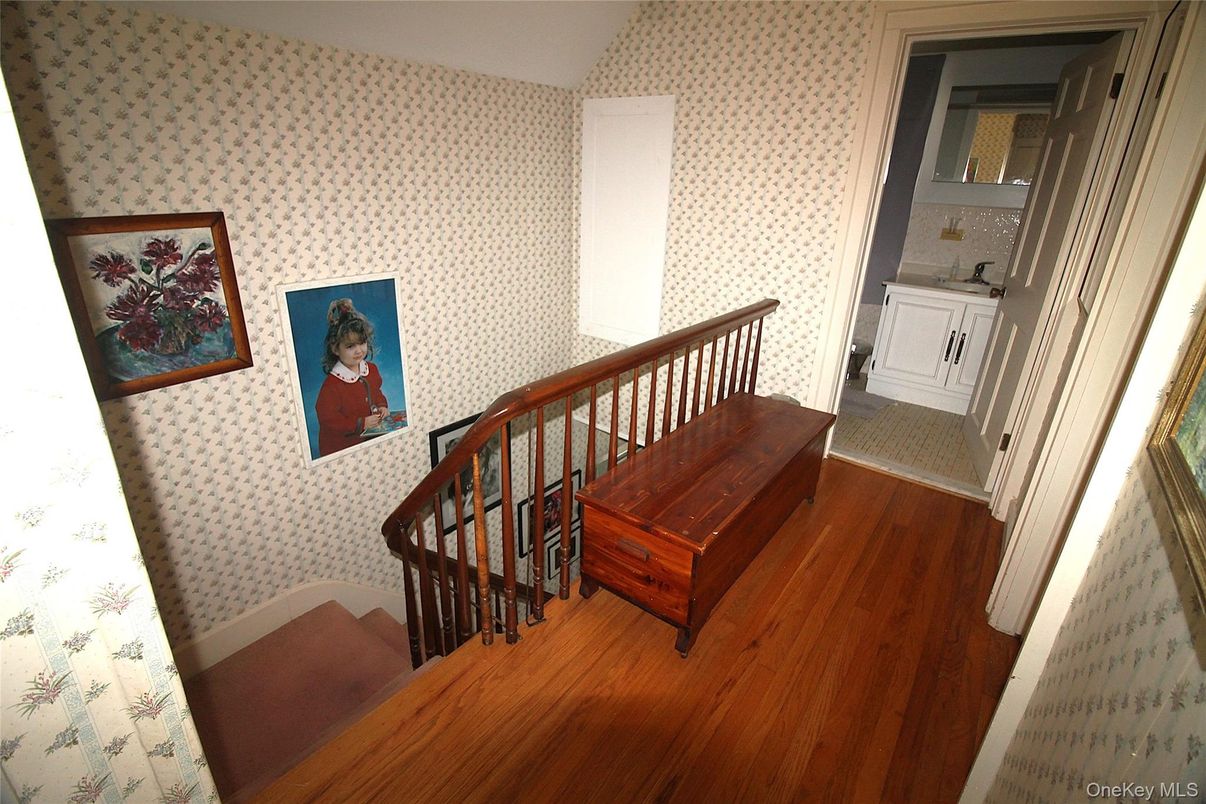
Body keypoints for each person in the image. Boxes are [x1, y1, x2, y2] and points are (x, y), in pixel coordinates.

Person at [315, 298, 388, 457]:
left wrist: (382, 406)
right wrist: (361, 423)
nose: (358, 351)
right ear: (335, 349)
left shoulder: (371, 370)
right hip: (343, 447)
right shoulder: (332, 386)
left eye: (362, 343)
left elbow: (377, 393)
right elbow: (329, 421)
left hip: (368, 438)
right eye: (350, 346)